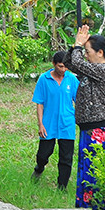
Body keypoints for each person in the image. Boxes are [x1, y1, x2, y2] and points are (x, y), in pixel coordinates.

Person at [67, 24, 105, 210]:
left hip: (99, 131)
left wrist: (79, 45)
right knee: (91, 174)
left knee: (99, 174)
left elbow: (78, 63)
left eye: (89, 52)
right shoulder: (92, 72)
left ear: (100, 53)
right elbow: (72, 63)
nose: (86, 56)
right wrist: (77, 45)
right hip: (89, 130)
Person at [32, 51, 79, 190]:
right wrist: (40, 124)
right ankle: (39, 169)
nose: (63, 70)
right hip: (49, 123)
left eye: (65, 67)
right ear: (53, 64)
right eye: (60, 66)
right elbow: (39, 103)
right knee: (43, 154)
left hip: (67, 124)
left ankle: (62, 187)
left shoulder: (71, 79)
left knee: (66, 158)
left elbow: (79, 101)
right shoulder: (44, 79)